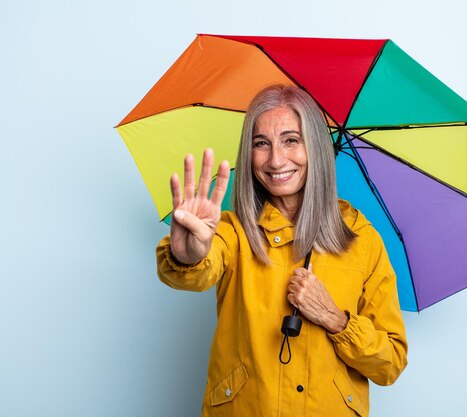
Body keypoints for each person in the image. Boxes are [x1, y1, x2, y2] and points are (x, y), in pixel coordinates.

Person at [156, 85, 407, 417]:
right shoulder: (234, 231)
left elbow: (389, 364)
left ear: (315, 148)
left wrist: (335, 319)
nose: (276, 160)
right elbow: (200, 270)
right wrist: (189, 253)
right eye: (261, 143)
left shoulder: (361, 239)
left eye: (292, 140)